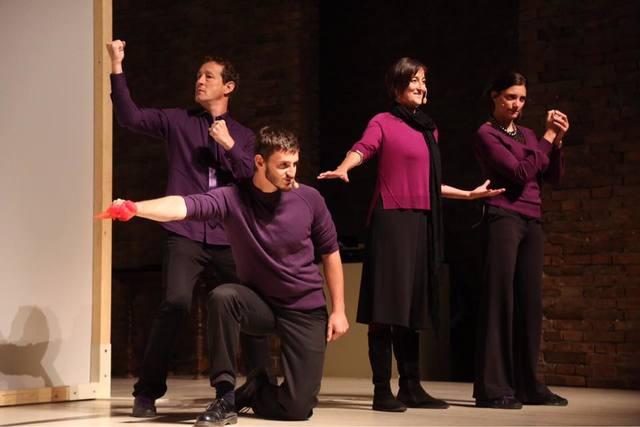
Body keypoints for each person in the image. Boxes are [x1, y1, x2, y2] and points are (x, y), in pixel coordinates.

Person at [100, 127, 349, 426]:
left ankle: (256, 390)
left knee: (298, 409)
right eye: (283, 165)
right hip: (261, 304)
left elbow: (330, 253)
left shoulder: (310, 199)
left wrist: (339, 310)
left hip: (304, 309)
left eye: (295, 163)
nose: (292, 173)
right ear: (260, 162)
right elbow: (185, 206)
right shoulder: (232, 198)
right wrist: (135, 208)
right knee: (223, 297)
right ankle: (225, 397)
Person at [318, 57, 504, 412]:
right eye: (414, 80)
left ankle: (411, 386)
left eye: (423, 81)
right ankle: (381, 390)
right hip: (391, 221)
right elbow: (363, 148)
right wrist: (344, 167)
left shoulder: (429, 130)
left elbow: (430, 184)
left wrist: (468, 195)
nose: (421, 86)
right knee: (385, 307)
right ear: (396, 86)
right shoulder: (382, 122)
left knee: (412, 307)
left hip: (422, 222)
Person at [105, 40, 270, 417]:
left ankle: (260, 387)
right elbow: (130, 117)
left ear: (228, 87)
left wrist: (229, 145)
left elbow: (253, 179)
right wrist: (117, 65)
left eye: (209, 76)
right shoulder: (179, 121)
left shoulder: (244, 136)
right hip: (185, 235)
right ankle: (146, 392)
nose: (200, 81)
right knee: (175, 303)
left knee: (250, 304)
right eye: (198, 75)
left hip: (229, 238)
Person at [472, 72, 569, 409]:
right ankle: (492, 389)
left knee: (530, 303)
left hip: (532, 219)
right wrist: (547, 137)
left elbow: (552, 175)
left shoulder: (528, 135)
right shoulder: (486, 134)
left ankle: (529, 385)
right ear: (495, 96)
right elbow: (520, 173)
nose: (517, 104)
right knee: (500, 301)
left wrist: (556, 143)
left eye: (522, 99)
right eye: (511, 97)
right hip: (503, 216)